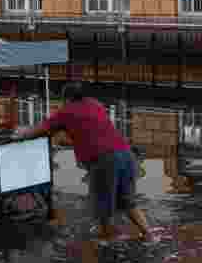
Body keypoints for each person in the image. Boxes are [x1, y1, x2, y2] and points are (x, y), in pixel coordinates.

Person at [16, 84, 152, 241]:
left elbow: (41, 129)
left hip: (105, 160)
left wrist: (20, 135)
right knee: (129, 202)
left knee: (103, 204)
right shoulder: (95, 104)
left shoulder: (67, 111)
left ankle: (109, 242)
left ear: (66, 99)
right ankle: (148, 234)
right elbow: (86, 130)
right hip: (126, 155)